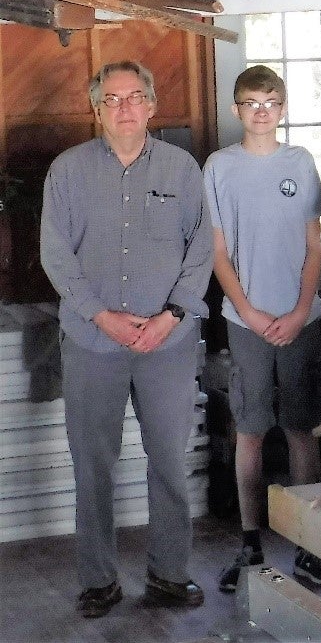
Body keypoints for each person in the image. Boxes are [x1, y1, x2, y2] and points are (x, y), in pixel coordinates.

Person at [40, 61, 213, 618]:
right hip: (93, 345)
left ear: (152, 105)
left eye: (135, 97)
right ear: (96, 110)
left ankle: (168, 573)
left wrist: (171, 316)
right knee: (93, 465)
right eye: (111, 100)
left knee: (167, 460)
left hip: (168, 344)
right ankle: (98, 580)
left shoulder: (183, 170)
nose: (124, 108)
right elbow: (55, 255)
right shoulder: (67, 171)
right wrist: (99, 316)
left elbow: (201, 252)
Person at [204, 66, 321, 593]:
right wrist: (252, 312)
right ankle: (249, 541)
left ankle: (309, 544)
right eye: (250, 102)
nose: (260, 110)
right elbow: (218, 252)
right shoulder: (219, 166)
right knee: (250, 428)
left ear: (283, 108)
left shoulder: (300, 162)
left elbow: (315, 247)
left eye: (270, 101)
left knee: (301, 428)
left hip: (301, 319)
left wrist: (299, 310)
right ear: (236, 108)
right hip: (246, 320)